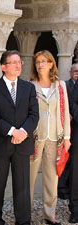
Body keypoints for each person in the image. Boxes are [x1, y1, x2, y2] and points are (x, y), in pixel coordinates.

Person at [0, 50, 39, 225]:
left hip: (23, 143)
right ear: (3, 67)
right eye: (13, 62)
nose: (18, 65)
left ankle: (23, 220)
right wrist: (12, 131)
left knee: (22, 185)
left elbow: (34, 114)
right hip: (1, 143)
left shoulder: (29, 87)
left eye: (20, 62)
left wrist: (22, 132)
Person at [30, 50, 71, 225]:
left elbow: (65, 111)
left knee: (51, 178)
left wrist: (67, 137)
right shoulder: (30, 85)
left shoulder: (60, 86)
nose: (40, 65)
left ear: (51, 63)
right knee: (29, 178)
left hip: (55, 138)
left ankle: (49, 215)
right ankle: (25, 214)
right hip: (35, 138)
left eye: (44, 61)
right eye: (38, 62)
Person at [58, 63, 78, 200]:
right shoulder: (66, 85)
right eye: (75, 71)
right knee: (71, 166)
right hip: (71, 129)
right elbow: (70, 102)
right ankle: (65, 192)